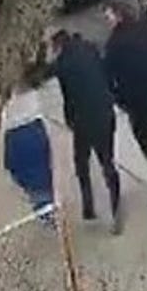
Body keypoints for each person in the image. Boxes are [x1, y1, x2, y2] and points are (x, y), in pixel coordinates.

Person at [48, 28, 122, 234]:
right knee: (107, 162)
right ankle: (116, 207)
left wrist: (70, 120)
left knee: (82, 162)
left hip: (83, 120)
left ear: (58, 46)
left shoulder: (63, 64)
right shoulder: (90, 49)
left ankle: (88, 206)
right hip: (105, 113)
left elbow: (68, 96)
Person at [102, 1, 147, 195]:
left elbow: (108, 76)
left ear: (118, 15)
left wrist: (119, 100)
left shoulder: (114, 44)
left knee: (145, 135)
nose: (107, 21)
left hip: (134, 98)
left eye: (108, 16)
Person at [1, 81, 55, 229]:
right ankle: (47, 209)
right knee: (41, 173)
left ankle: (46, 211)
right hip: (32, 126)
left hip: (17, 131)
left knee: (34, 181)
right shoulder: (30, 85)